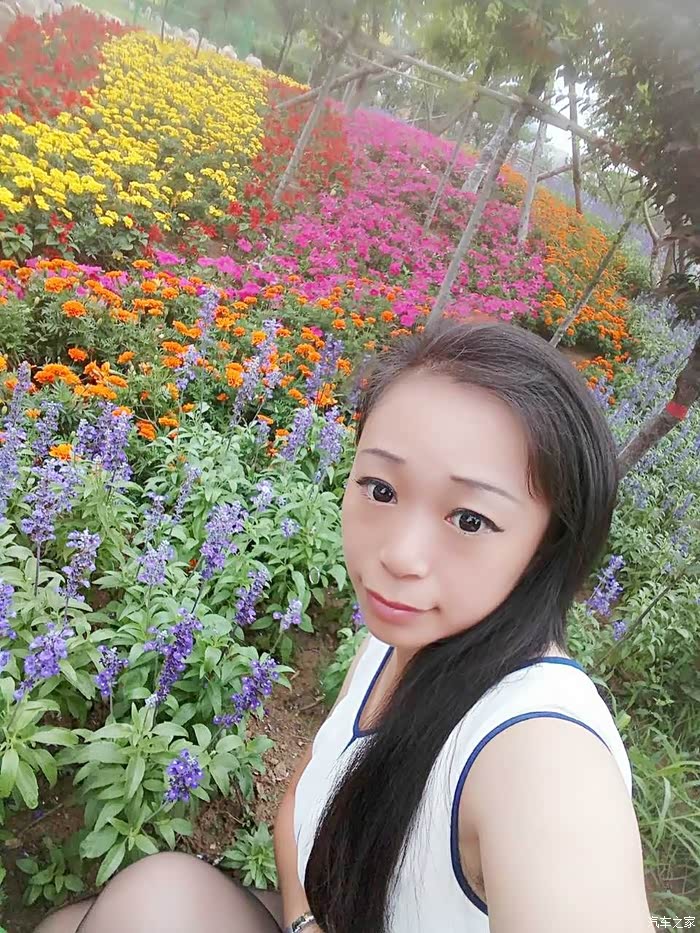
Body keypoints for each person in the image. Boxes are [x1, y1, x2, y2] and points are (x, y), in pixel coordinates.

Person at [35, 317, 654, 933]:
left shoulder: (545, 759)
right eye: (380, 489)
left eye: (469, 520)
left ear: (551, 546)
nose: (399, 556)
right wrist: (304, 922)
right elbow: (301, 804)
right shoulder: (389, 647)